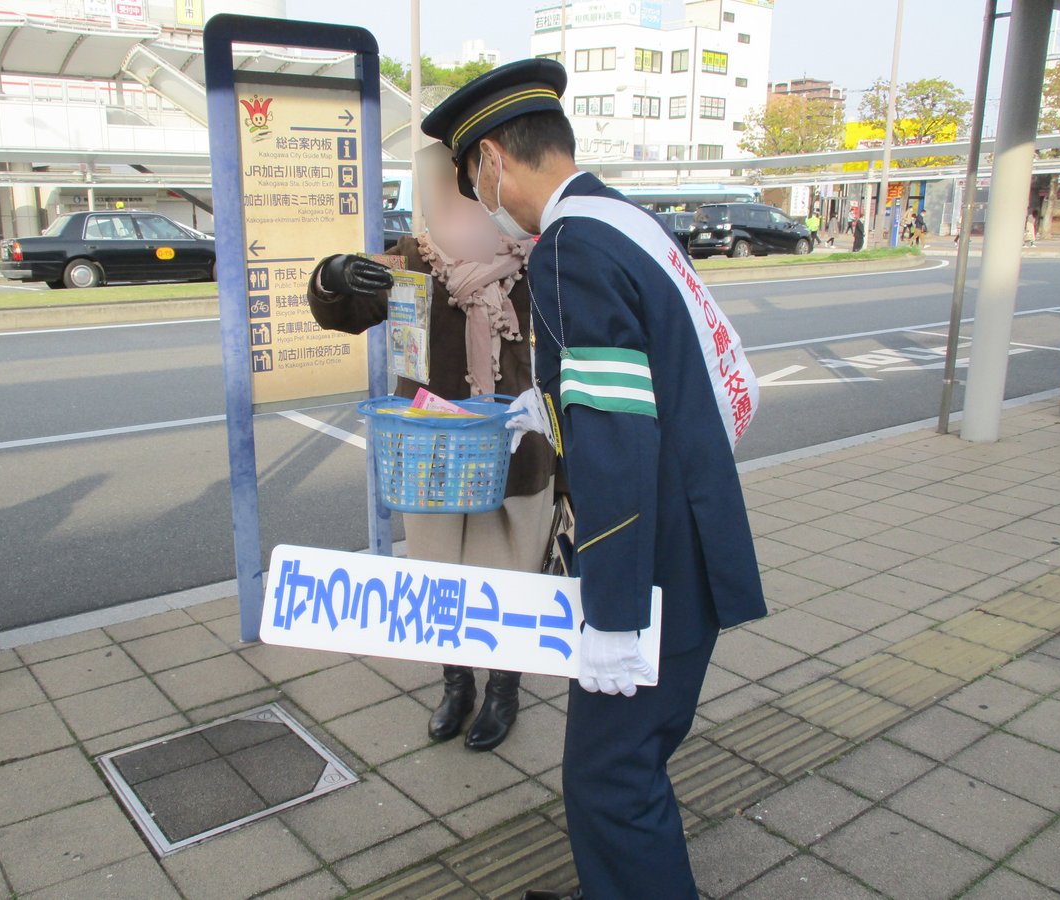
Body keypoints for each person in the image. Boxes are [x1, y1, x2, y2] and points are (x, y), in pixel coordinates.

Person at [422, 59, 766, 900]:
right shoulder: (624, 221)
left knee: (610, 783)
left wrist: (612, 613)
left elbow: (616, 441)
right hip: (691, 534)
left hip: (649, 565)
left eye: (473, 175)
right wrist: (547, 412)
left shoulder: (569, 251)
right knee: (630, 764)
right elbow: (712, 382)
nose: (477, 194)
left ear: (495, 158)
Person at [305, 144, 556, 752]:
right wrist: (333, 276)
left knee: (511, 574)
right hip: (430, 455)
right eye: (439, 190)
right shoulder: (414, 258)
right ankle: (456, 683)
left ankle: (503, 688)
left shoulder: (544, 255)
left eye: (465, 188)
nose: (456, 203)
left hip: (518, 451)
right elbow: (348, 308)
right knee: (440, 577)